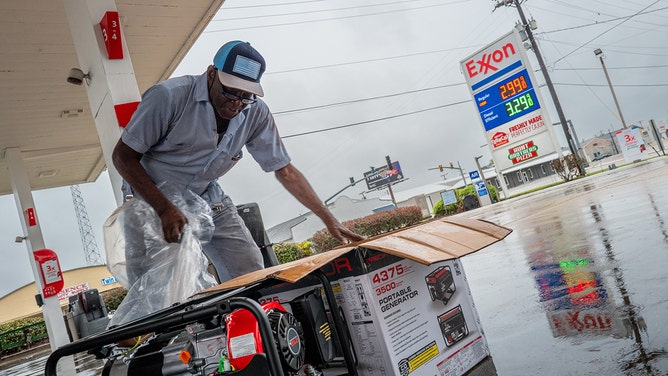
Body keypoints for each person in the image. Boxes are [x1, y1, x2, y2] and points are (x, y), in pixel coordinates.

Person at [112, 40, 363, 284]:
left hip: (207, 197)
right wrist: (165, 208)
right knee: (157, 287)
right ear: (211, 74)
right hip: (150, 200)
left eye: (246, 95)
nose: (237, 103)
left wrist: (328, 218)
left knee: (249, 268)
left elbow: (284, 170)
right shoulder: (168, 97)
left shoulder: (255, 113)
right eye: (231, 91)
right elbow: (122, 157)